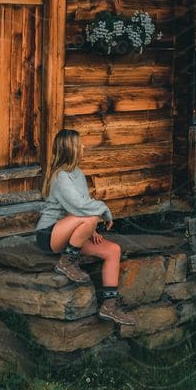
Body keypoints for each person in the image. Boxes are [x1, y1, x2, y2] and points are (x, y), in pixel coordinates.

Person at [35, 128, 131, 326]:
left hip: (69, 233)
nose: (84, 147)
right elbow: (80, 207)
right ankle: (67, 262)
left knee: (113, 250)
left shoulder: (78, 173)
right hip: (49, 234)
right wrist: (104, 210)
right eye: (80, 144)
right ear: (71, 148)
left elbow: (82, 203)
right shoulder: (60, 176)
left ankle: (109, 305)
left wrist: (91, 230)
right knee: (91, 216)